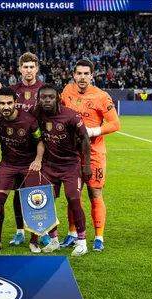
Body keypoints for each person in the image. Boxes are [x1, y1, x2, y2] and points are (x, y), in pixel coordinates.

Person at [61, 60, 120, 252]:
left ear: (92, 75)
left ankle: (99, 237)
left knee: (95, 193)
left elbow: (114, 124)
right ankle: (72, 234)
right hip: (71, 152)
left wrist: (91, 131)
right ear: (74, 75)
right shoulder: (66, 91)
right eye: (79, 73)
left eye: (86, 73)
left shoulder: (102, 96)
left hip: (94, 153)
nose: (82, 77)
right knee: (73, 194)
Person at [0, 87, 45, 252]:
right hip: (8, 164)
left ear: (16, 103)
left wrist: (38, 160)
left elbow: (40, 141)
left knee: (34, 202)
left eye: (9, 103)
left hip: (28, 164)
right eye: (2, 103)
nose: (6, 107)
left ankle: (34, 241)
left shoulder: (29, 120)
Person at [35, 84, 92, 256]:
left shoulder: (71, 115)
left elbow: (85, 139)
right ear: (39, 99)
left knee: (73, 200)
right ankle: (53, 240)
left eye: (50, 97)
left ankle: (81, 242)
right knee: (47, 203)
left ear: (57, 97)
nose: (47, 100)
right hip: (49, 166)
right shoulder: (36, 113)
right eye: (43, 97)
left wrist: (87, 165)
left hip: (70, 165)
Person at [9, 52, 45, 247]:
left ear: (37, 68)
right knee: (18, 191)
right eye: (26, 67)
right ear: (20, 68)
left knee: (40, 191)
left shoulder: (45, 90)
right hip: (17, 148)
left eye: (32, 67)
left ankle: (43, 230)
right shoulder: (13, 90)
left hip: (41, 146)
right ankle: (19, 231)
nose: (29, 70)